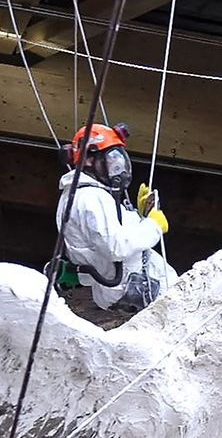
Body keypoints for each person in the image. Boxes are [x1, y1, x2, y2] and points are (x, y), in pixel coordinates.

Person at [53, 122, 178, 313]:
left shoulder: (77, 196)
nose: (117, 166)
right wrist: (153, 225)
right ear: (88, 160)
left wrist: (140, 216)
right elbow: (116, 247)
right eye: (111, 159)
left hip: (116, 286)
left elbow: (99, 248)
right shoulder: (92, 198)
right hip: (135, 284)